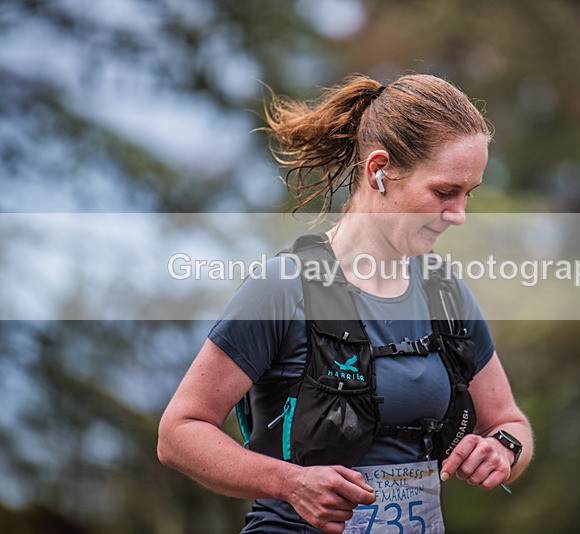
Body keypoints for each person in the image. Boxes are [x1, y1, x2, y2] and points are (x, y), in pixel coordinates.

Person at [158, 73, 533, 533]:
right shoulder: (284, 287)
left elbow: (510, 422)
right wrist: (290, 482)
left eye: (468, 194)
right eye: (443, 192)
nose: (459, 215)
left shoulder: (447, 293)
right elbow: (178, 433)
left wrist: (502, 450)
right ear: (379, 169)